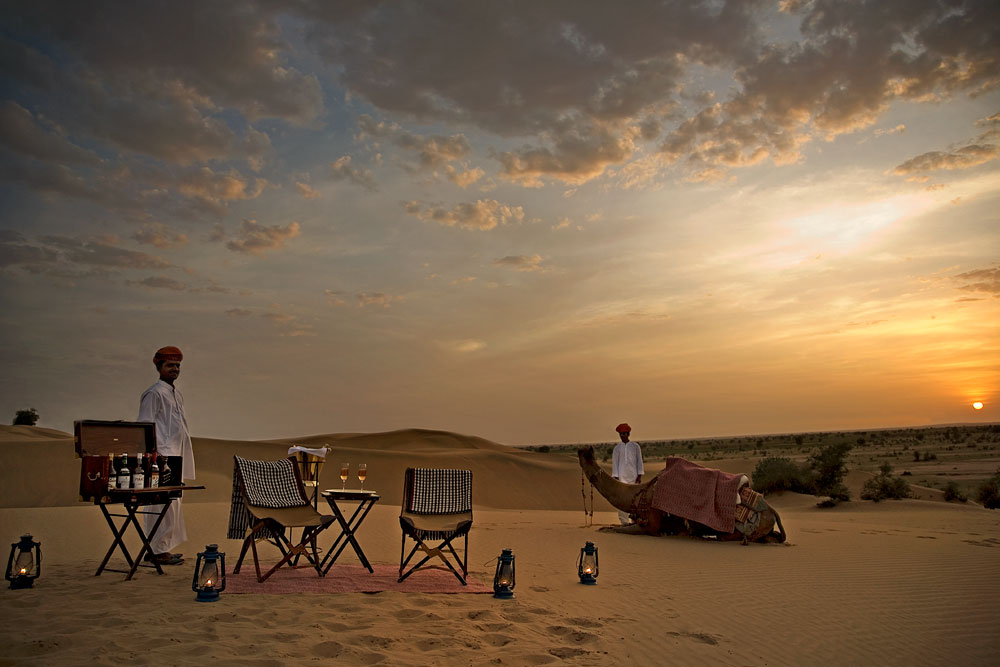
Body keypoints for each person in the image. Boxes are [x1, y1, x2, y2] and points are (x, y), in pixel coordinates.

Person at [137, 346, 196, 565]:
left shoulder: (175, 393)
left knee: (172, 504)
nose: (174, 369)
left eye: (177, 366)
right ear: (159, 367)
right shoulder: (154, 393)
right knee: (158, 504)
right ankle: (156, 551)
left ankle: (164, 548)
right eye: (170, 365)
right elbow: (145, 424)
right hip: (161, 457)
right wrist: (153, 454)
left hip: (176, 455)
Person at [612, 423, 643, 526]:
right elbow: (615, 463)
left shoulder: (635, 446)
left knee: (635, 500)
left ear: (628, 434)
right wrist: (615, 477)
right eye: (620, 434)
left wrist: (639, 475)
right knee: (622, 500)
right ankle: (624, 522)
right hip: (621, 478)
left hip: (633, 477)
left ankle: (635, 520)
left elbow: (640, 461)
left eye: (624, 434)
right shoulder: (617, 449)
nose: (622, 436)